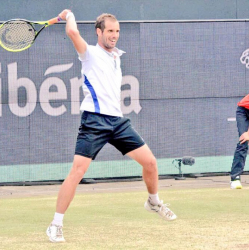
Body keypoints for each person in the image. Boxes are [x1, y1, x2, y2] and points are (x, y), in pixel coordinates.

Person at [46, 9, 177, 243]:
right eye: (109, 31)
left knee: (150, 162)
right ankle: (55, 224)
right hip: (94, 121)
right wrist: (69, 14)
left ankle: (153, 202)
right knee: (77, 172)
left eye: (117, 31)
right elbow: (72, 31)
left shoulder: (116, 56)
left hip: (117, 121)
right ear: (99, 32)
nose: (114, 35)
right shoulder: (89, 54)